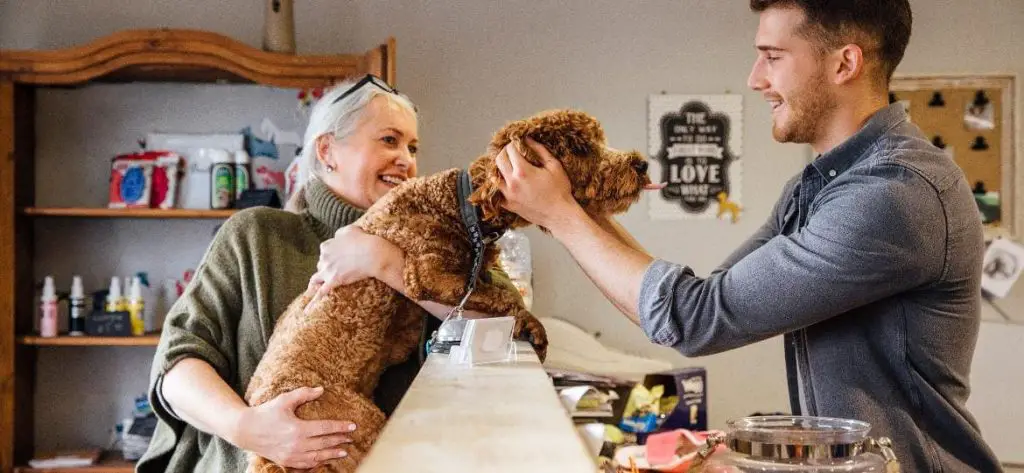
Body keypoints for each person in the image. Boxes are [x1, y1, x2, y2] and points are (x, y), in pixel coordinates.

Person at [474, 2, 1002, 472]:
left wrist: (564, 215)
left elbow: (693, 318)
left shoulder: (894, 194)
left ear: (844, 63)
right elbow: (704, 297)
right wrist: (575, 205)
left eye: (772, 56)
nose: (754, 78)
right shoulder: (818, 186)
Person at [137, 75, 517, 473]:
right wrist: (249, 428)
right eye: (389, 140)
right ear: (327, 150)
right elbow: (177, 366)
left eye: (413, 146)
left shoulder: (436, 248)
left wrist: (384, 262)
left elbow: (505, 330)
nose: (406, 158)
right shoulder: (256, 236)